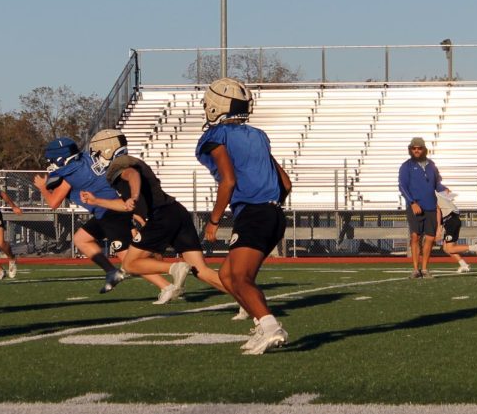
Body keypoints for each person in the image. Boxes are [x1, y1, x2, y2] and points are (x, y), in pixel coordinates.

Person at [197, 77, 292, 355]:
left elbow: (227, 181)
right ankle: (262, 325)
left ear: (216, 107)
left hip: (255, 213)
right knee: (227, 276)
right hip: (273, 213)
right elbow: (285, 183)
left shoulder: (215, 136)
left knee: (239, 277)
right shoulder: (259, 135)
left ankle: (272, 328)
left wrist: (214, 221)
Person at [82, 129, 226, 305]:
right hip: (176, 211)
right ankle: (244, 299)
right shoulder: (130, 162)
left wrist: (134, 196)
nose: (96, 159)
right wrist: (97, 201)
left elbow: (132, 175)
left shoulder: (120, 164)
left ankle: (174, 268)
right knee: (201, 270)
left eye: (96, 154)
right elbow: (124, 204)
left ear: (106, 150)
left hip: (162, 216)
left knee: (129, 264)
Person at [32, 137, 172, 296]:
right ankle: (112, 272)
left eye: (52, 160)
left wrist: (43, 188)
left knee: (129, 262)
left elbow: (53, 203)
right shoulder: (86, 157)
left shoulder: (69, 173)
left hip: (110, 213)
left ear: (60, 159)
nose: (50, 163)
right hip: (108, 209)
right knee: (81, 239)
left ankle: (167, 285)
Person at [398, 137, 447, 279]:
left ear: (424, 149)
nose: (417, 150)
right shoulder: (406, 166)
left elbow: (437, 184)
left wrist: (445, 190)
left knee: (430, 238)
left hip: (431, 205)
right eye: (414, 148)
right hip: (415, 206)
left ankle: (424, 269)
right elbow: (402, 186)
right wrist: (412, 202)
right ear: (410, 150)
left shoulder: (432, 165)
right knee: (415, 236)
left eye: (419, 148)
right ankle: (415, 269)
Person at [435, 189, 477, 273]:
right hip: (452, 219)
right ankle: (463, 264)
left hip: (450, 220)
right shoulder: (436, 194)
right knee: (446, 248)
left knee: (450, 248)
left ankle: (474, 247)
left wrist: (438, 228)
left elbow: (437, 210)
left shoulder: (430, 194)